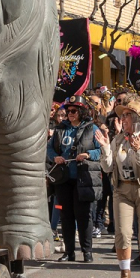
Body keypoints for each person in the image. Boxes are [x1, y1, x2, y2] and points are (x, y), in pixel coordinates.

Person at [95, 96, 140, 278]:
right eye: (122, 116)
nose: (122, 120)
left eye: (127, 116)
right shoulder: (118, 139)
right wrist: (106, 147)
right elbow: (107, 168)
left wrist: (139, 150)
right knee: (122, 234)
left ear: (138, 118)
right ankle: (125, 276)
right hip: (122, 189)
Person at [46, 95, 102, 263]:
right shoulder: (60, 128)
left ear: (82, 111)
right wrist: (55, 157)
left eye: (73, 111)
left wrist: (88, 154)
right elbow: (49, 149)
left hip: (83, 178)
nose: (69, 114)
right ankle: (69, 252)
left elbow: (101, 150)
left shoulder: (93, 129)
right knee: (66, 215)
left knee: (84, 216)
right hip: (64, 179)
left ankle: (87, 252)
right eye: (67, 110)